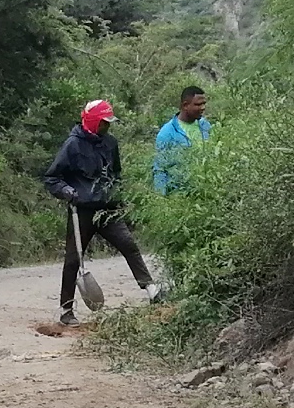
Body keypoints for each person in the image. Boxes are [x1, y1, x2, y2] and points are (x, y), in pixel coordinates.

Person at [40, 97, 160, 324]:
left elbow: (116, 174)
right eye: (104, 122)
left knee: (129, 245)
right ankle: (66, 311)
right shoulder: (72, 145)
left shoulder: (110, 143)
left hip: (107, 210)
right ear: (94, 121)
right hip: (81, 211)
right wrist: (66, 190)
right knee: (73, 260)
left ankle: (151, 289)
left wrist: (118, 197)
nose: (107, 126)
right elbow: (52, 178)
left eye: (109, 122)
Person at [153, 85, 211, 201]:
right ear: (185, 105)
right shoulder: (167, 133)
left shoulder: (205, 126)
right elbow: (160, 169)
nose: (203, 108)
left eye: (204, 104)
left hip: (205, 193)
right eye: (198, 104)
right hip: (181, 197)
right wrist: (161, 200)